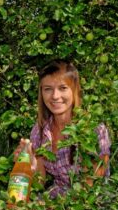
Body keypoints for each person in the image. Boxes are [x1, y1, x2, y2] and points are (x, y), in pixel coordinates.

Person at [16, 60, 111, 198]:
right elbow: (39, 183)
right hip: (57, 196)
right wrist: (30, 163)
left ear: (75, 90)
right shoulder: (40, 130)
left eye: (63, 88)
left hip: (92, 202)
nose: (55, 96)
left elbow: (91, 185)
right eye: (48, 89)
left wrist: (49, 206)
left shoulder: (93, 129)